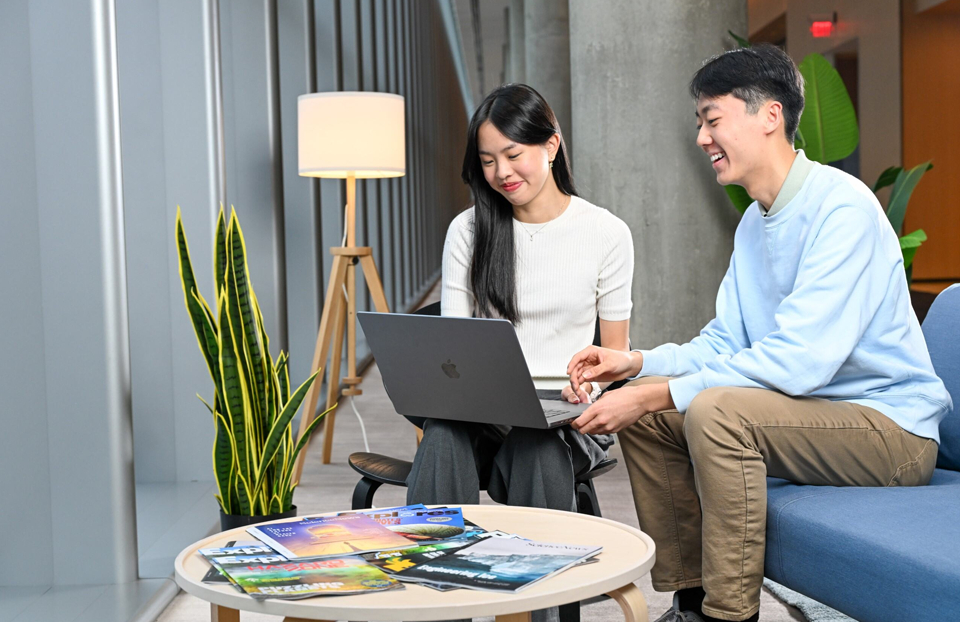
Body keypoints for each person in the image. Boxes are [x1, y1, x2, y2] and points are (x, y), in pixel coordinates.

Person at [565, 45, 951, 622]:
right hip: (812, 417)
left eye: (712, 119)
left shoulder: (842, 209)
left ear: (770, 115)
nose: (701, 138)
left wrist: (659, 389)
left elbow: (800, 362)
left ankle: (729, 614)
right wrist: (635, 365)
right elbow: (724, 342)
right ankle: (691, 601)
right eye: (699, 123)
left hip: (891, 432)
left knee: (716, 412)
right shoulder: (754, 221)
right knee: (646, 413)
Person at [405, 83, 635, 514]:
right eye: (488, 161)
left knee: (538, 445)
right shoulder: (469, 231)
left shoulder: (606, 233)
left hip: (565, 414)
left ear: (551, 145)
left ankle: (542, 574)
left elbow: (615, 352)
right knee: (443, 433)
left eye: (513, 155)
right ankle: (433, 562)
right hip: (485, 408)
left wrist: (590, 384)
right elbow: (453, 345)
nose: (501, 173)